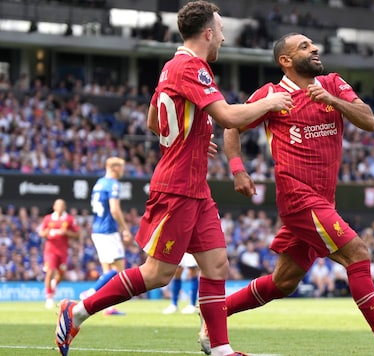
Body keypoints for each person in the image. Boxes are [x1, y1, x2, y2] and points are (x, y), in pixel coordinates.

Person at [55, 2, 292, 356]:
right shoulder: (192, 67)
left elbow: (154, 120)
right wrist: (270, 104)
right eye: (221, 30)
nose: (224, 38)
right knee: (157, 275)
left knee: (216, 265)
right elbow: (228, 116)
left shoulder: (170, 66)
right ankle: (76, 311)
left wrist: (191, 135)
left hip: (195, 187)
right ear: (208, 33)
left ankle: (221, 348)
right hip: (177, 186)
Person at [199, 32, 374, 356]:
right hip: (297, 196)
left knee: (283, 282)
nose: (315, 48)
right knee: (358, 254)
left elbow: (370, 121)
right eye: (304, 46)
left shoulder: (333, 84)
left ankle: (214, 314)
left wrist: (332, 101)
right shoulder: (272, 94)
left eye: (313, 44)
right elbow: (232, 125)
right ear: (286, 61)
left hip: (323, 199)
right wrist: (237, 169)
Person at [79, 157, 131, 316]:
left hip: (97, 230)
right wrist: (125, 229)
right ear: (115, 168)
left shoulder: (99, 183)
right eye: (121, 168)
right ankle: (91, 292)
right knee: (118, 270)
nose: (123, 171)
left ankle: (108, 308)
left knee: (107, 270)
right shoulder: (112, 184)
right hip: (108, 230)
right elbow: (114, 210)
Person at [39, 199, 79, 309]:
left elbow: (77, 235)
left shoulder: (69, 219)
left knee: (61, 273)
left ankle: (54, 284)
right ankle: (49, 297)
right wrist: (47, 232)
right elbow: (41, 233)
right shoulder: (48, 218)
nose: (60, 207)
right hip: (50, 250)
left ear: (65, 207)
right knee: (50, 271)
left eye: (62, 205)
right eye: (58, 205)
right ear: (54, 207)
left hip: (63, 251)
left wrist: (66, 232)